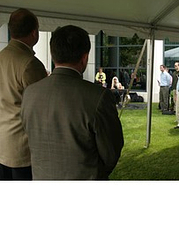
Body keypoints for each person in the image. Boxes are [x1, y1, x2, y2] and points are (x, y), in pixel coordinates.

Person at [21, 25, 124, 180]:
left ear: (53, 54)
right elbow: (111, 152)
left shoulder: (29, 93)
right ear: (85, 58)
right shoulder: (98, 97)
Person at [0, 8, 48, 180]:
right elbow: (42, 108)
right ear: (34, 33)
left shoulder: (2, 56)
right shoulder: (30, 64)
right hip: (23, 148)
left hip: (2, 142)